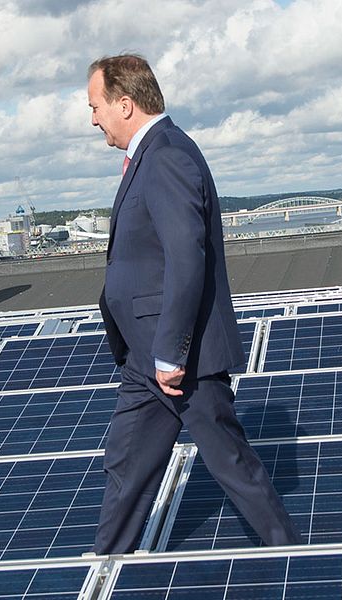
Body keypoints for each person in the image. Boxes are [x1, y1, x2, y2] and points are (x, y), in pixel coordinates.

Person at [87, 54, 302, 554]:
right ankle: (104, 566)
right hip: (145, 358)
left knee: (230, 463)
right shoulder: (152, 154)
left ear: (124, 104)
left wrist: (170, 353)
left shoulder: (165, 155)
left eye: (95, 106)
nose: (92, 118)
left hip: (178, 359)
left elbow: (187, 257)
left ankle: (295, 560)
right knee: (126, 465)